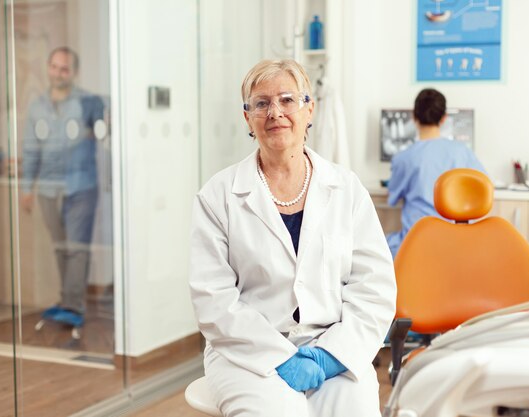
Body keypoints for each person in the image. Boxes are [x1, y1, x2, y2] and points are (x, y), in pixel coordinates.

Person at [189, 59, 396, 417]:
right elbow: (213, 300)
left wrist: (330, 356)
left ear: (309, 109)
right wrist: (278, 356)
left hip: (332, 348)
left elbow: (374, 289)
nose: (275, 112)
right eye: (261, 103)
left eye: (287, 100)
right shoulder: (217, 196)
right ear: (247, 118)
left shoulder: (346, 190)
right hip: (248, 354)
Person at [20, 46, 104, 330]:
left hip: (81, 186)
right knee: (60, 247)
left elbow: (104, 136)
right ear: (48, 68)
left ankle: (73, 306)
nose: (58, 73)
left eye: (64, 69)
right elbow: (31, 150)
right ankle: (67, 300)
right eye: (54, 67)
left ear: (74, 72)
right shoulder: (37, 105)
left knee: (77, 248)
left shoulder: (89, 102)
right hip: (47, 188)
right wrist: (26, 187)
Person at [386, 88, 486, 259]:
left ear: (414, 117)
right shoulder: (463, 152)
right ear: (444, 118)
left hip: (417, 243)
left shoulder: (403, 159)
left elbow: (392, 199)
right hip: (457, 244)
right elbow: (483, 192)